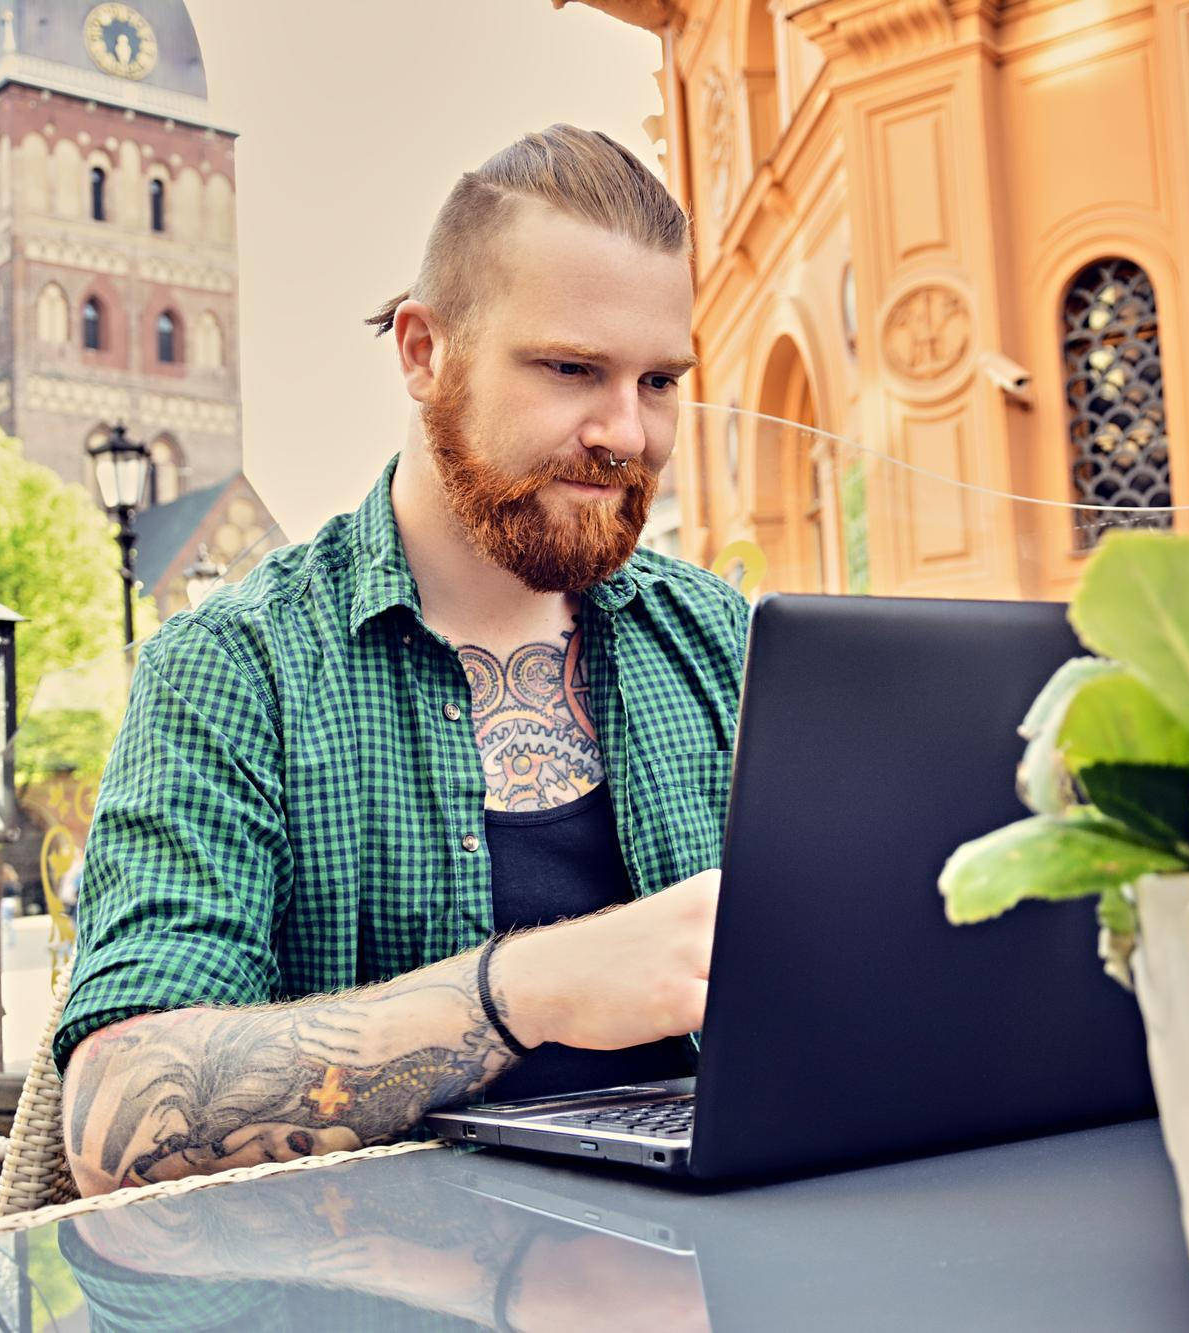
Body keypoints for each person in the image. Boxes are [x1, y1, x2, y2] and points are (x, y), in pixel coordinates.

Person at [57, 125, 743, 1195]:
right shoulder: (238, 667)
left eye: (658, 380)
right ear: (423, 351)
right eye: (571, 369)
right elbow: (118, 1115)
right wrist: (525, 991)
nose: (628, 431)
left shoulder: (724, 643)